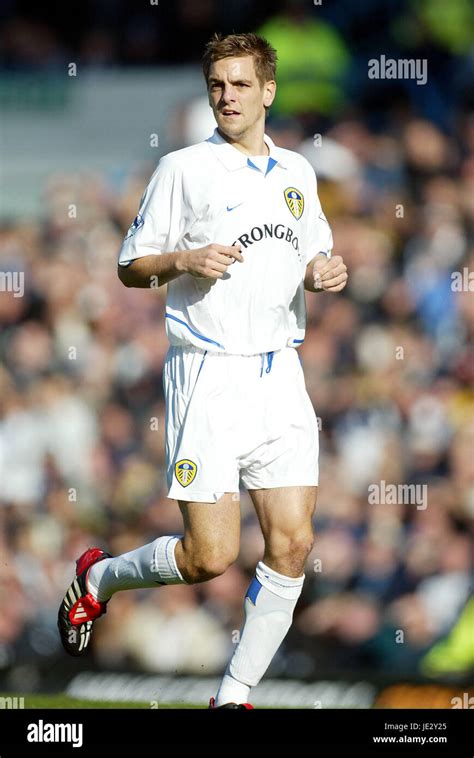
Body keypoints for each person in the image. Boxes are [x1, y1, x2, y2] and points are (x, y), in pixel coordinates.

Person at [57, 32, 348, 709]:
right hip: (208, 375)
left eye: (241, 84)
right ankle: (101, 582)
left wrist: (324, 270)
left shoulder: (299, 173)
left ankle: (233, 695)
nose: (228, 96)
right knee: (208, 558)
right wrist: (183, 260)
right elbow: (130, 266)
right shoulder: (184, 169)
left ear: (268, 91)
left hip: (281, 372)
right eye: (218, 85)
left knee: (295, 541)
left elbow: (314, 251)